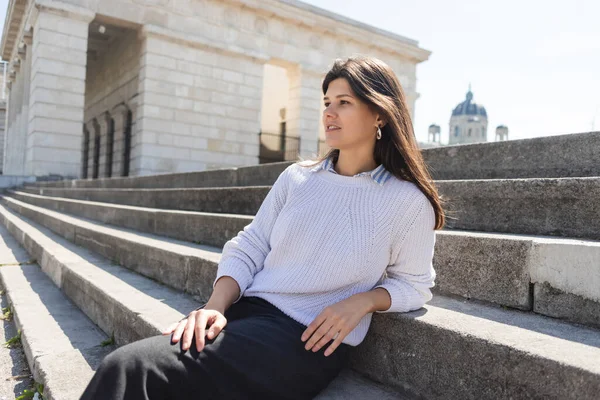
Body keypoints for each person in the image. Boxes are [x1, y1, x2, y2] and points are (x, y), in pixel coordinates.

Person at [79, 55, 445, 400]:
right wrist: (215, 305)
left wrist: (363, 302)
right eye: (326, 102)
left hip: (302, 342)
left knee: (127, 368)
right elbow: (251, 244)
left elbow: (414, 285)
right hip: (246, 314)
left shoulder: (407, 201)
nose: (329, 113)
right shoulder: (298, 178)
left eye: (344, 102)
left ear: (380, 113)